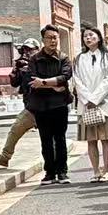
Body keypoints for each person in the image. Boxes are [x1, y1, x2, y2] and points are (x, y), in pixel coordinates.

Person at [71, 26, 108, 181]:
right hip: (85, 105)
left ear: (99, 37)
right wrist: (87, 99)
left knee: (106, 139)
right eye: (85, 36)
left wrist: (95, 99)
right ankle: (95, 171)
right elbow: (77, 80)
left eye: (91, 35)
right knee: (91, 140)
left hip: (105, 103)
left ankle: (106, 170)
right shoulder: (79, 59)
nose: (88, 38)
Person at [25, 26, 73, 184]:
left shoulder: (64, 58)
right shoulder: (34, 59)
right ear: (43, 40)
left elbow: (65, 77)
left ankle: (62, 172)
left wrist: (44, 82)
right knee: (45, 140)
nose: (53, 41)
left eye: (55, 37)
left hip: (59, 105)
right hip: (41, 105)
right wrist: (54, 85)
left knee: (60, 139)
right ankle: (49, 173)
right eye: (49, 37)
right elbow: (32, 81)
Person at [0, 39, 40, 168]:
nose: (27, 53)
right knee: (15, 129)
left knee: (50, 137)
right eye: (25, 50)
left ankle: (57, 162)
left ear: (37, 49)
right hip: (31, 108)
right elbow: (14, 83)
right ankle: (5, 157)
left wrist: (29, 68)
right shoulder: (22, 65)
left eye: (30, 50)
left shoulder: (42, 62)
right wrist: (15, 69)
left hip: (45, 107)